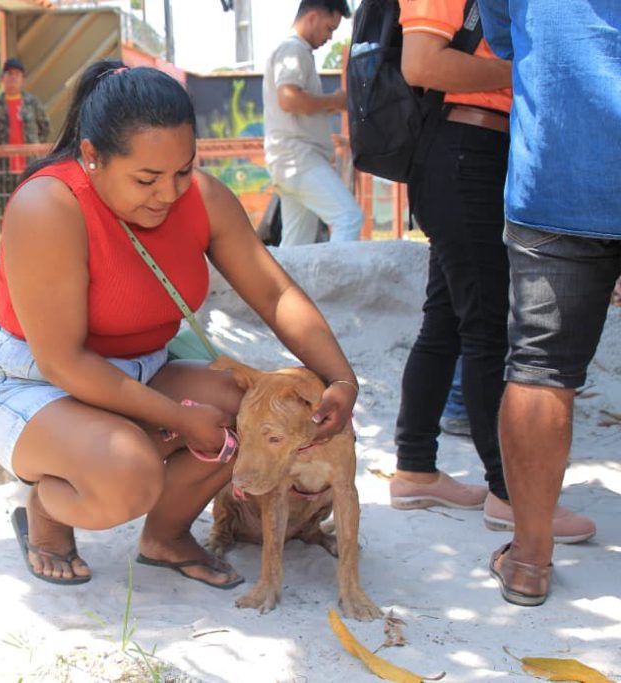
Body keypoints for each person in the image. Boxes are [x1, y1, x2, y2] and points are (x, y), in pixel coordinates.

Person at [0, 61, 360, 586]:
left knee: (241, 407)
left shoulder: (199, 197)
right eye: (146, 178)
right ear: (91, 156)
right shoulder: (47, 206)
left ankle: (166, 535)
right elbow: (63, 361)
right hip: (35, 384)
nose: (169, 193)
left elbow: (275, 292)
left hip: (143, 368)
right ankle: (47, 508)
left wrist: (340, 378)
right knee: (127, 472)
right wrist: (180, 419)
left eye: (183, 170)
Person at [388, 0, 595, 545]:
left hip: (477, 150)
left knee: (447, 321)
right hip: (466, 150)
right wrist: (528, 67)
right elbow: (421, 63)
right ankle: (510, 495)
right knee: (486, 326)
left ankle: (414, 470)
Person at [477, 0, 619, 606]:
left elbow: (504, 36)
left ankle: (530, 560)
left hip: (557, 175)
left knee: (540, 369)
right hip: (557, 179)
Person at [263, 0, 363, 247]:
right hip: (298, 158)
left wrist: (331, 104)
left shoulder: (295, 51)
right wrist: (334, 100)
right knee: (348, 217)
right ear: (313, 17)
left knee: (297, 245)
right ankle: (340, 283)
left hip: (291, 160)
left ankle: (281, 287)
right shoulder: (293, 50)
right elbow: (289, 98)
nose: (329, 37)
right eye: (330, 28)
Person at [0, 58, 51, 199]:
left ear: (22, 79)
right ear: (2, 78)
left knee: (31, 206)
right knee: (5, 209)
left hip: (29, 166)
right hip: (2, 169)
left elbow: (45, 128)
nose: (13, 78)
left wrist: (33, 147)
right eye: (9, 74)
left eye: (17, 74)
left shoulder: (33, 103)